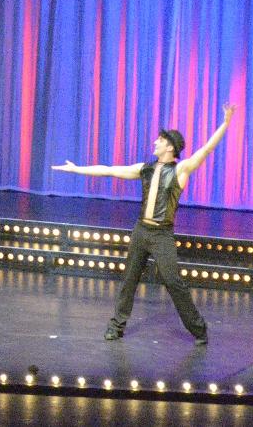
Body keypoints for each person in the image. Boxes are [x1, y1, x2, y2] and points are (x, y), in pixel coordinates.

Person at [52, 104, 236, 344]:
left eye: (160, 140)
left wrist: (226, 123)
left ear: (170, 147)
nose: (155, 143)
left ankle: (199, 330)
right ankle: (116, 326)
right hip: (141, 231)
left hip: (161, 235)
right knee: (129, 279)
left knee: (173, 282)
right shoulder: (145, 169)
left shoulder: (181, 170)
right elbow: (110, 171)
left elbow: (207, 149)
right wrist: (77, 169)